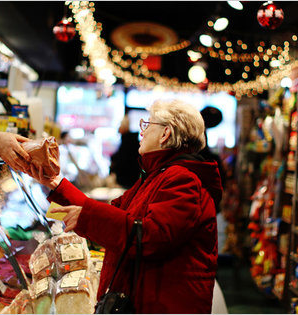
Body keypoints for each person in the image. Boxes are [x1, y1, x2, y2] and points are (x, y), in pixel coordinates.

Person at [24, 99, 223, 313]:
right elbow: (116, 213)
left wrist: (87, 217)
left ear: (165, 134)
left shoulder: (182, 179)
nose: (142, 132)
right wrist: (55, 184)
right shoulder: (157, 176)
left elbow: (150, 236)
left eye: (147, 125)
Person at [109, 114, 141, 189]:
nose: (118, 128)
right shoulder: (131, 140)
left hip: (126, 181)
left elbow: (123, 160)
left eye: (120, 125)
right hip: (130, 180)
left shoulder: (128, 142)